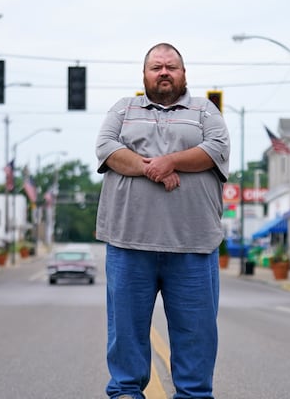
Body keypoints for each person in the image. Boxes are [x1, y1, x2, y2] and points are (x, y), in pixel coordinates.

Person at [95, 42, 230, 399]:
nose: (164, 72)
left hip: (193, 246)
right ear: (144, 75)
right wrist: (154, 169)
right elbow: (107, 148)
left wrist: (170, 162)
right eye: (156, 67)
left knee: (196, 336)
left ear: (185, 74)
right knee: (125, 334)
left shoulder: (205, 110)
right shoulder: (123, 109)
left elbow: (215, 148)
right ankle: (125, 392)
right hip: (128, 244)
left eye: (172, 66)